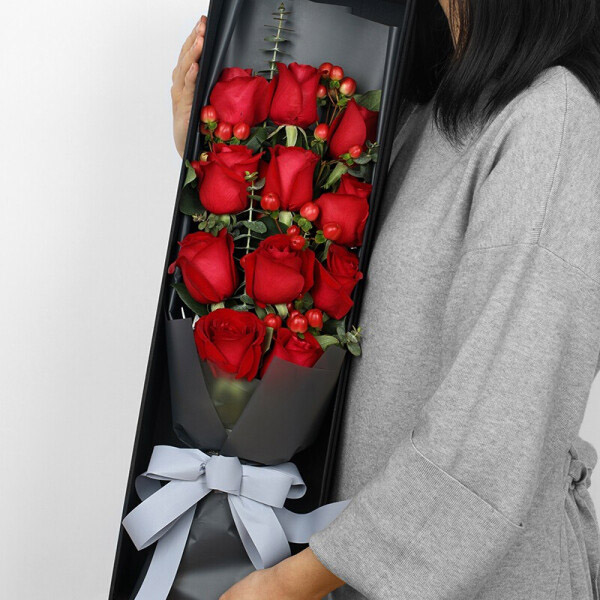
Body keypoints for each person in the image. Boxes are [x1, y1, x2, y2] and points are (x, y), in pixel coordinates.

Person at [171, 1, 600, 598]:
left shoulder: (552, 121)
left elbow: (494, 436)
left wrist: (289, 586)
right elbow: (350, 308)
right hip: (336, 564)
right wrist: (215, 160)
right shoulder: (430, 101)